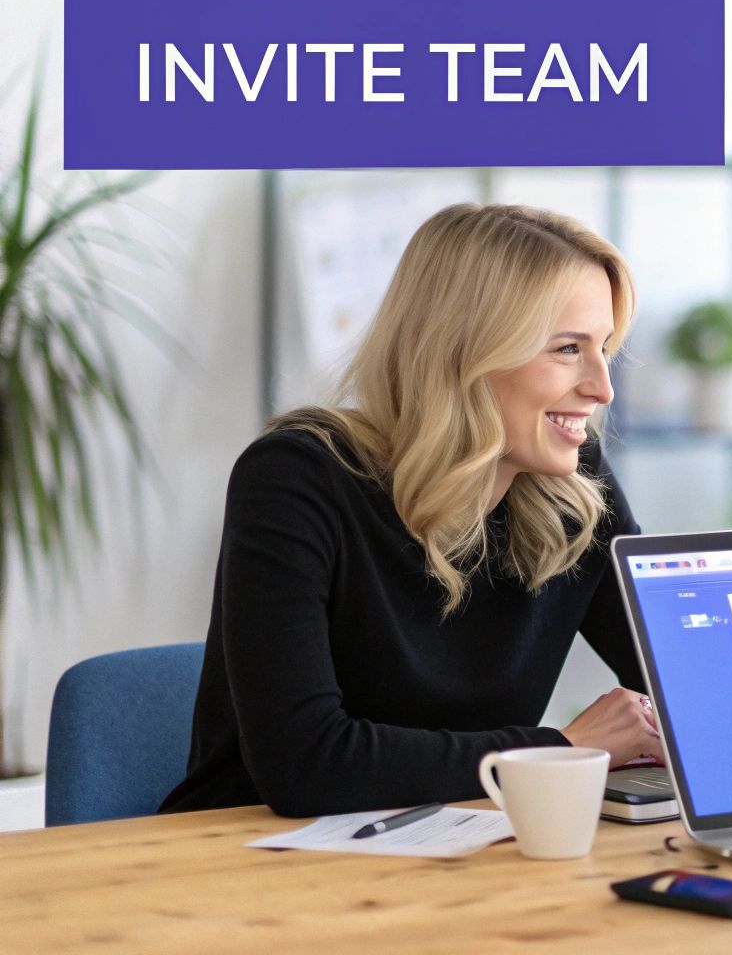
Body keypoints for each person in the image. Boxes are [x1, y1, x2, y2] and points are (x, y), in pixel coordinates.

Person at [159, 204, 665, 819]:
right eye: (567, 348)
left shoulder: (573, 487)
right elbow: (306, 765)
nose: (602, 387)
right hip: (247, 859)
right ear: (465, 351)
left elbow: (675, 679)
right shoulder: (297, 478)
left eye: (605, 347)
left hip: (460, 846)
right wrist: (560, 748)